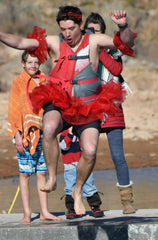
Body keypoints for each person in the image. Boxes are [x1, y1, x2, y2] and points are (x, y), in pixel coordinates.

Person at [0, 5, 135, 215]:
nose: (67, 33)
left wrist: (123, 26)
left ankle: (78, 191)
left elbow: (125, 42)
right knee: (50, 125)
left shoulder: (94, 41)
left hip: (88, 105)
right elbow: (20, 42)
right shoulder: (56, 42)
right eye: (63, 29)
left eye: (71, 28)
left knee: (89, 151)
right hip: (60, 101)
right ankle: (53, 177)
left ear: (80, 25)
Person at [84, 12, 135, 214]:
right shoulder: (80, 50)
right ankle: (90, 201)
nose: (92, 34)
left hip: (111, 105)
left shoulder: (112, 48)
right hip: (88, 106)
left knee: (117, 155)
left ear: (102, 32)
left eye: (96, 31)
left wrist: (98, 48)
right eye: (88, 31)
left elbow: (115, 69)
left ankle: (127, 201)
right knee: (87, 154)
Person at [7, 51, 61, 223]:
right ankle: (27, 213)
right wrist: (16, 134)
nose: (33, 66)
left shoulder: (44, 80)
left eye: (36, 62)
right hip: (24, 134)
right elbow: (13, 110)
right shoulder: (18, 82)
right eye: (29, 62)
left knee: (42, 172)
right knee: (24, 174)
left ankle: (44, 212)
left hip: (43, 132)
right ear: (23, 64)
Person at [59, 127, 104, 219]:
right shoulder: (64, 133)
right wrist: (70, 134)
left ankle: (95, 206)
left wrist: (80, 134)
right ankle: (71, 209)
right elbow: (64, 146)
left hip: (84, 165)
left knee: (89, 185)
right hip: (70, 166)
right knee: (70, 187)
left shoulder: (83, 131)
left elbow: (86, 147)